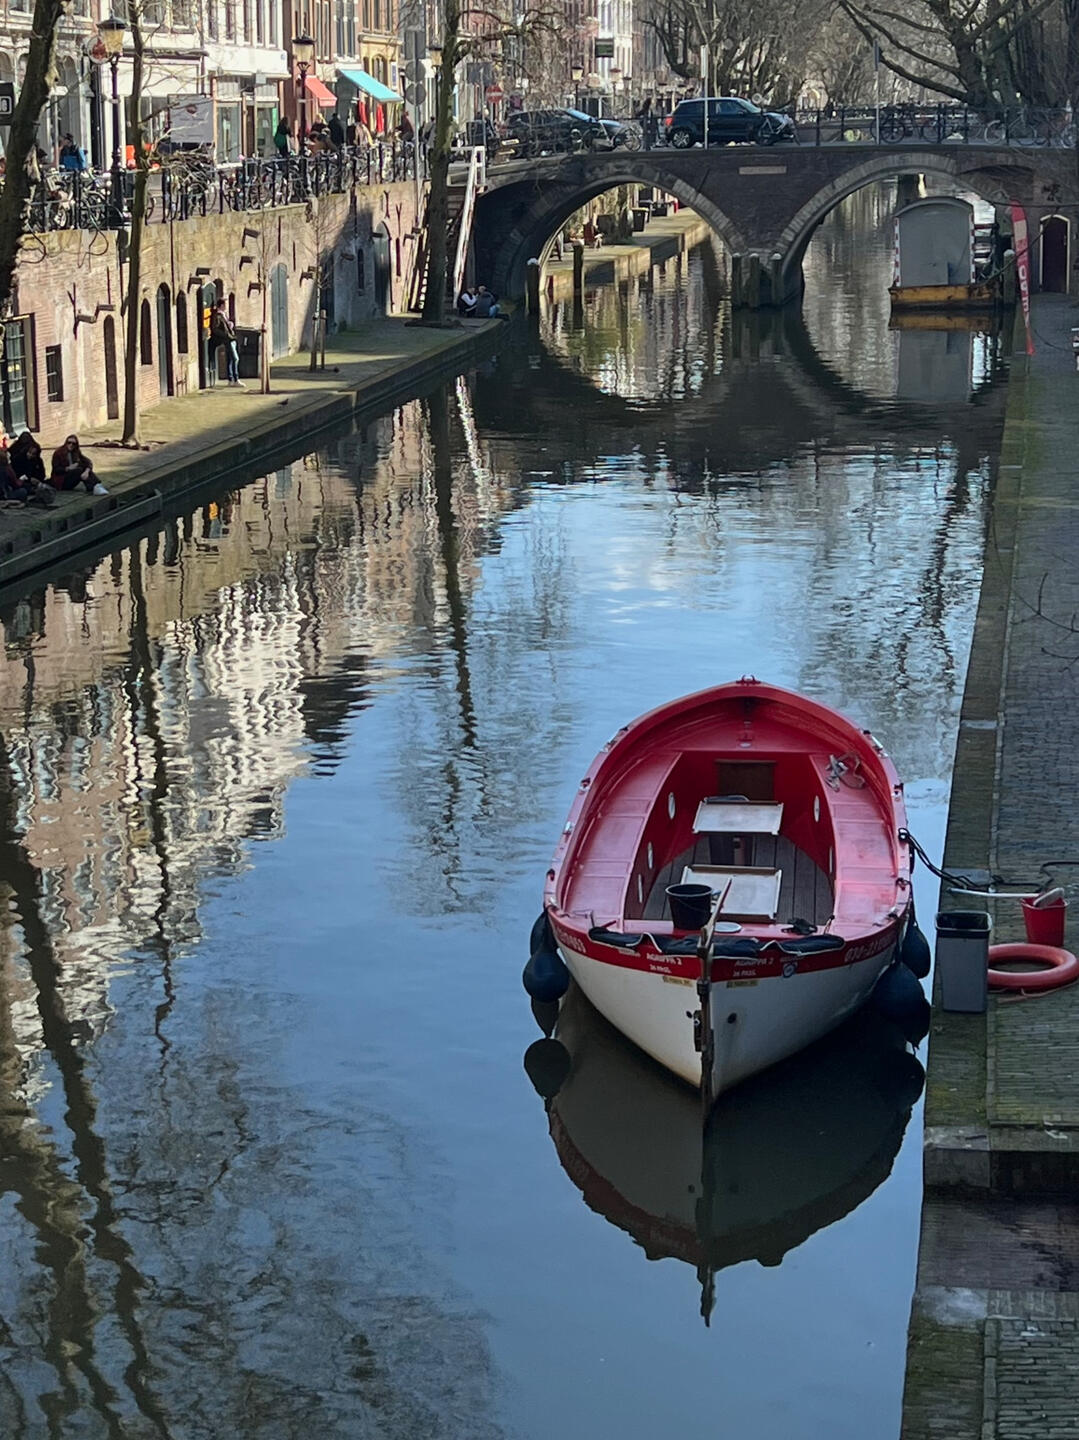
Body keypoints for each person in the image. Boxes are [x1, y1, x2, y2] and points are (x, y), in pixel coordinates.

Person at [9, 432, 55, 505]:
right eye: (29, 453)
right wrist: (29, 478)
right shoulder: (18, 459)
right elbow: (17, 474)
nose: (31, 455)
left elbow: (41, 473)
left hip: (34, 481)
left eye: (33, 454)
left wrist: (37, 479)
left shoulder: (38, 461)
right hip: (22, 481)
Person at [210, 301, 243, 386]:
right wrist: (225, 335)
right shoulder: (218, 315)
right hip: (227, 339)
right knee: (235, 358)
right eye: (225, 305)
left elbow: (225, 326)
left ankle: (230, 379)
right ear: (221, 305)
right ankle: (236, 379)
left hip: (231, 338)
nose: (226, 306)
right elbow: (215, 328)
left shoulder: (224, 314)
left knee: (230, 359)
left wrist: (229, 325)